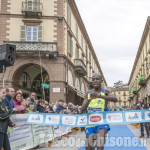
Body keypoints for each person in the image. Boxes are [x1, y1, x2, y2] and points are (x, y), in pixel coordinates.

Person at [80, 73, 118, 150]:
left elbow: (115, 99)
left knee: (99, 145)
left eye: (97, 79)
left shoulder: (106, 91)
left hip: (102, 123)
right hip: (90, 123)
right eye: (93, 79)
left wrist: (100, 96)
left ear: (101, 81)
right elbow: (81, 110)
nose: (95, 81)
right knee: (89, 147)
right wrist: (89, 100)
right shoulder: (88, 93)